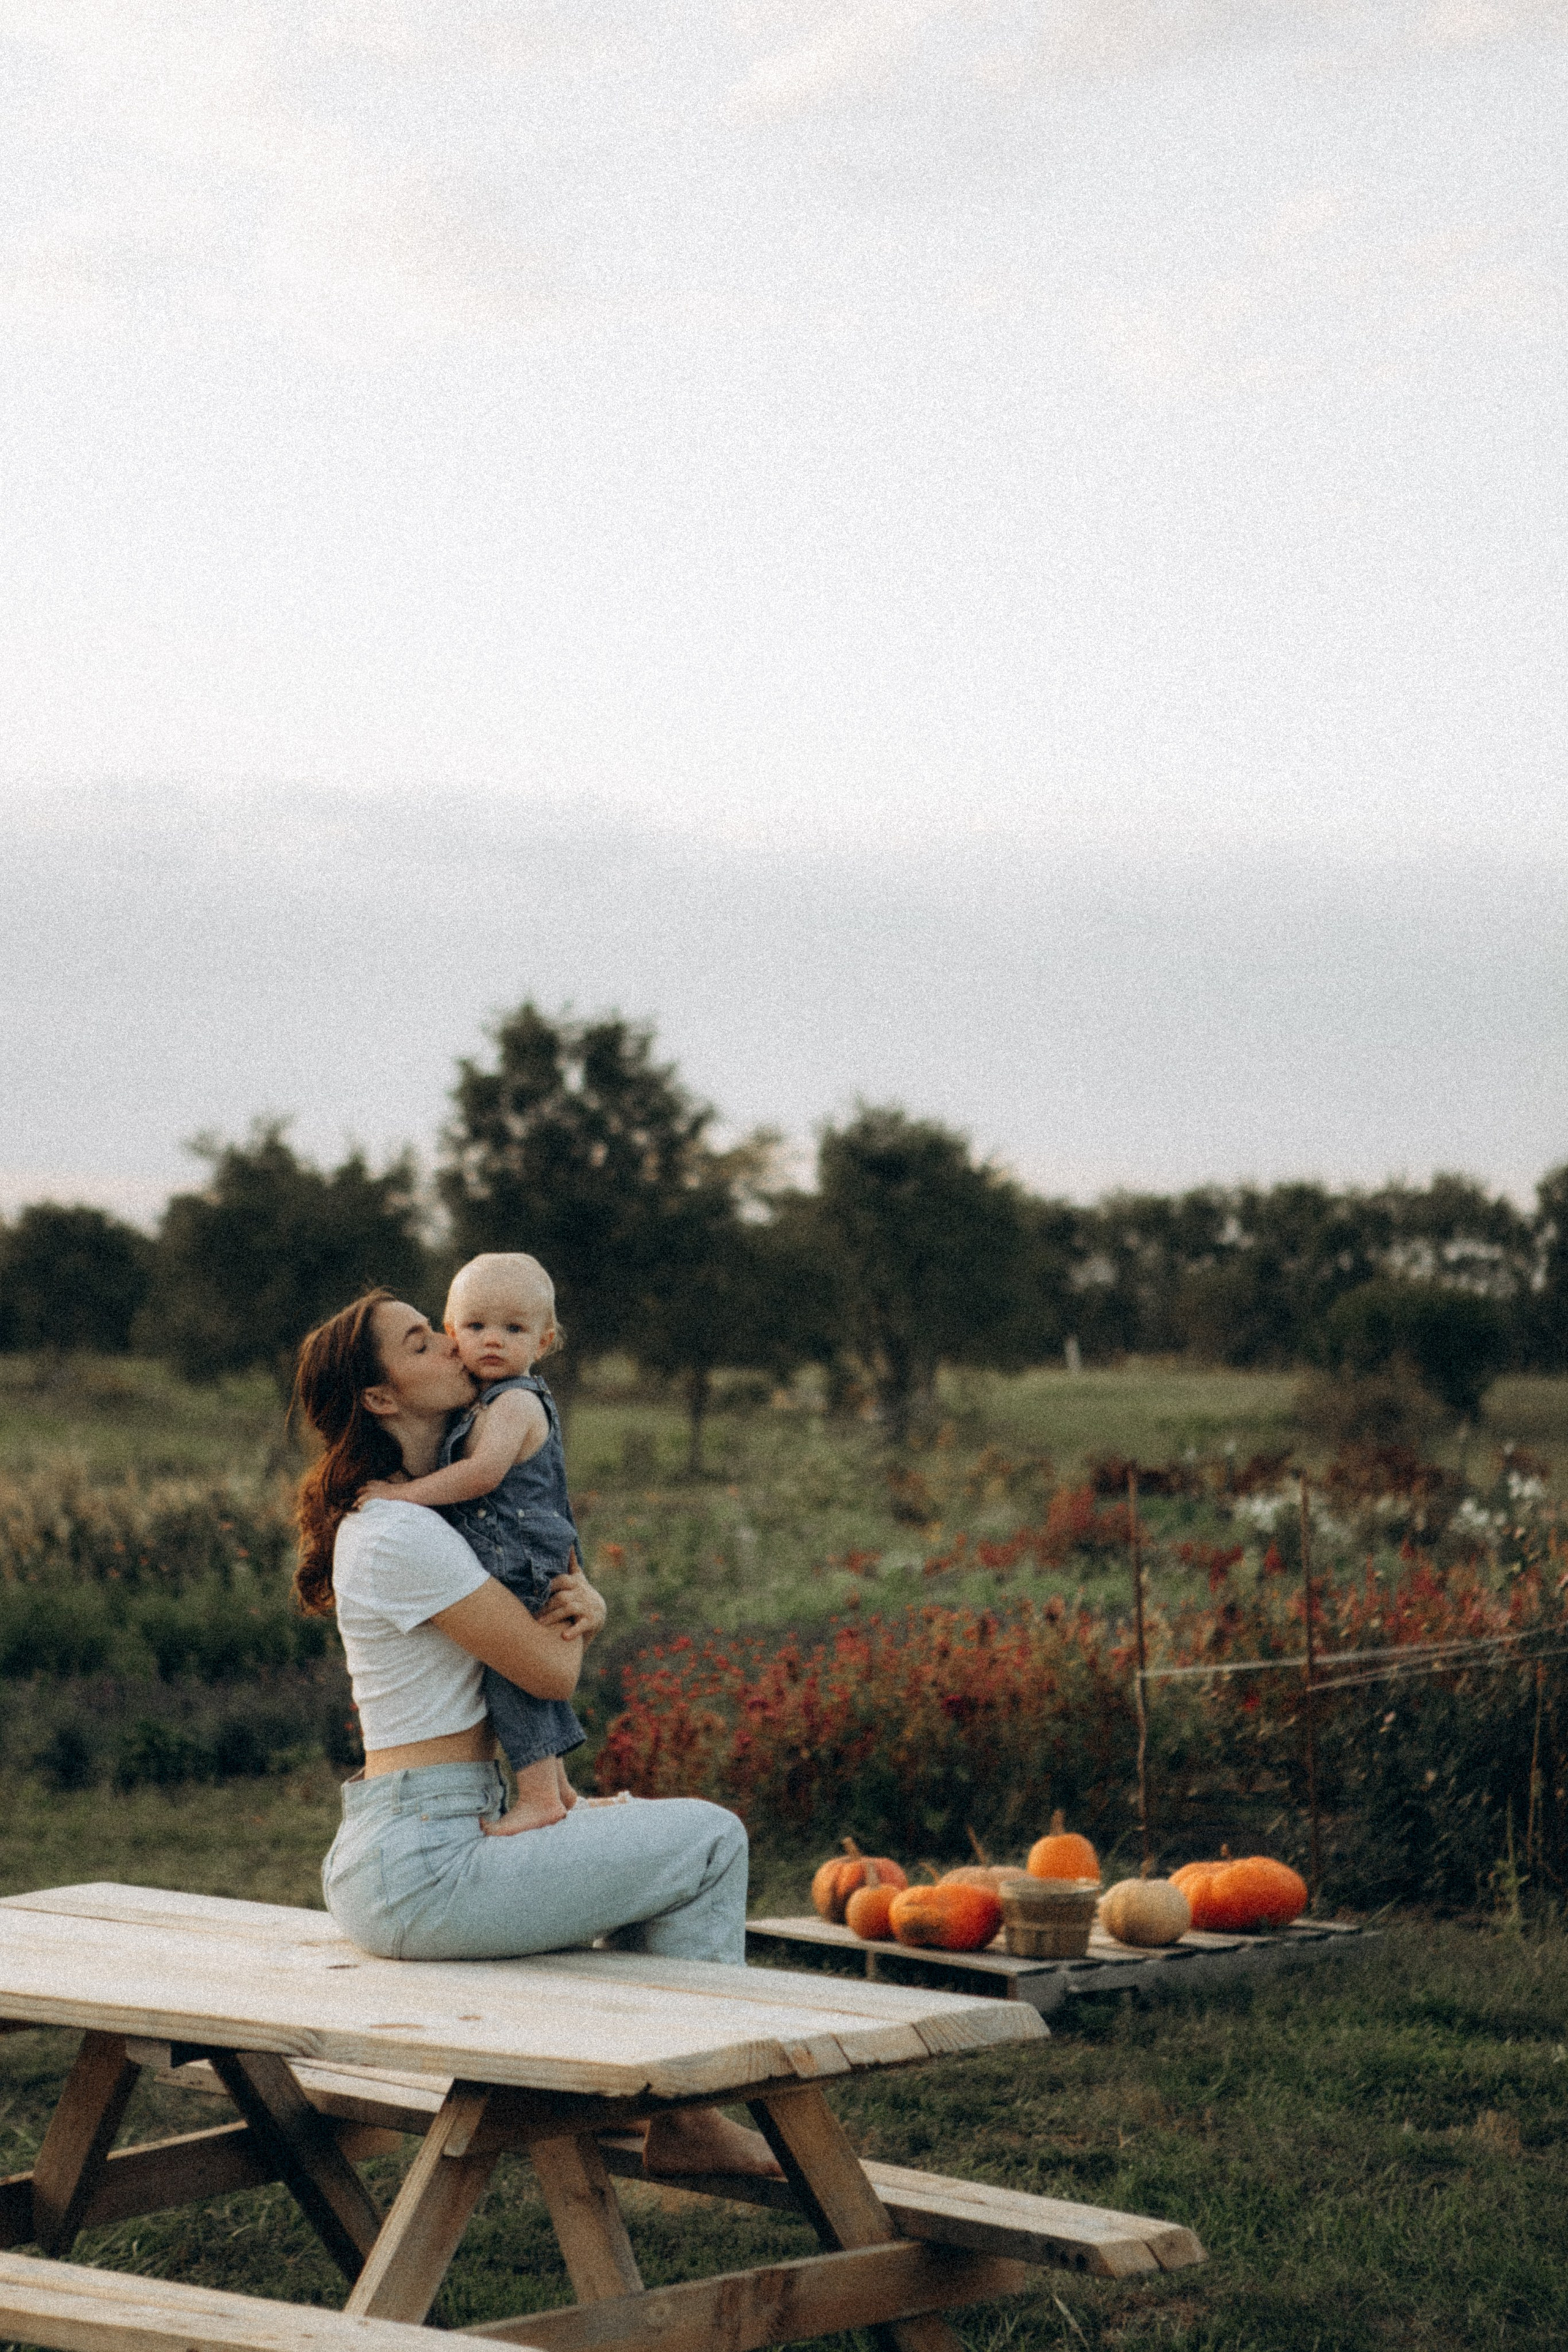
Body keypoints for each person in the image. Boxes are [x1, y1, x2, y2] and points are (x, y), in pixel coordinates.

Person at [292, 1287, 778, 2177]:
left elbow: (534, 1607)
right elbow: (548, 1675)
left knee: (659, 1843)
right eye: (419, 1342)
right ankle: (685, 2119)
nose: (451, 1343)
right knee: (711, 1840)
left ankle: (627, 2097)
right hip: (424, 1860)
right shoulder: (399, 1529)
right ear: (380, 1398)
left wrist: (580, 1601)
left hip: (427, 1838)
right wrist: (574, 1629)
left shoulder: (430, 1518)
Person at [360, 1252, 587, 1837]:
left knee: (511, 1677)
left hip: (521, 1557)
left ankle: (540, 1795)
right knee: (514, 1669)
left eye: (513, 1330)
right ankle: (558, 1787)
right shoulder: (482, 1403)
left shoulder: (514, 1401)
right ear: (453, 1329)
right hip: (511, 1553)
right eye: (475, 1327)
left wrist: (404, 1497)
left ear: (545, 1339)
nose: (492, 1342)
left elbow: (483, 1476)